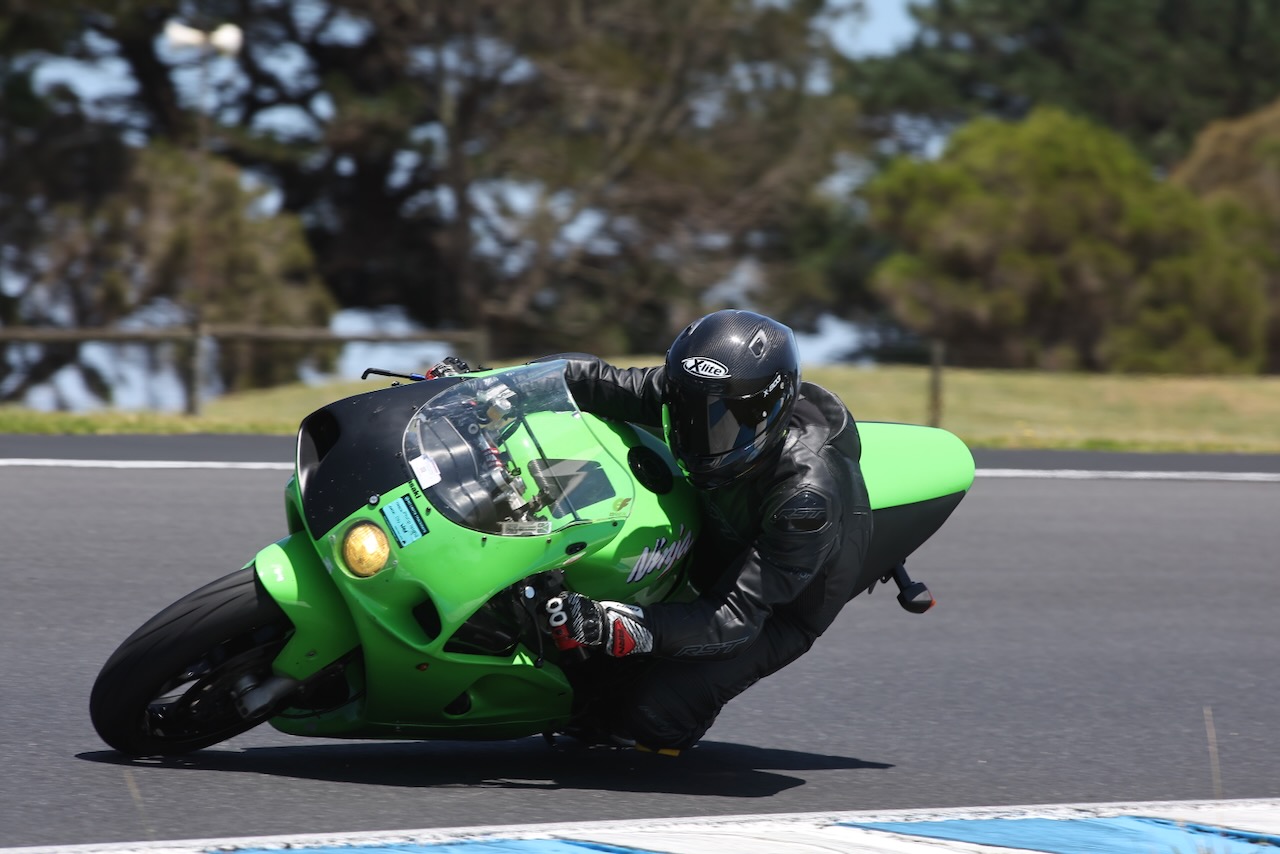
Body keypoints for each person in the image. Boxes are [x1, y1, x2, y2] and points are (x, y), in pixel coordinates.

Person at [543, 308, 873, 753]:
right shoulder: (694, 392)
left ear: (771, 412)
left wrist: (620, 624)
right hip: (708, 532)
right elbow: (590, 378)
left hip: (774, 609)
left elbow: (733, 618)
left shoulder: (804, 499)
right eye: (687, 411)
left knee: (643, 714)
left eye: (722, 421)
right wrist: (485, 387)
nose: (698, 432)